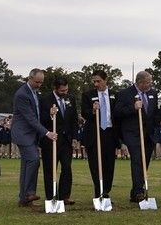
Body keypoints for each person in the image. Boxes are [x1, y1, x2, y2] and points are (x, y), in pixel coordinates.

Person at [12, 69, 57, 207]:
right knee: (33, 160)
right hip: (23, 134)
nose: (39, 85)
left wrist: (50, 114)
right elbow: (30, 118)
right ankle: (29, 192)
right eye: (37, 82)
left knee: (26, 164)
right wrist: (46, 133)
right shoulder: (22, 94)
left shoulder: (34, 93)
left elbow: (38, 113)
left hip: (31, 134)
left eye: (41, 82)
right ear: (30, 78)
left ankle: (24, 197)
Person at [115, 71, 159, 202]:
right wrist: (133, 108)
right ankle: (139, 191)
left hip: (148, 134)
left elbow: (154, 113)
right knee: (137, 161)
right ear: (140, 82)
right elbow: (117, 112)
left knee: (144, 162)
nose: (150, 84)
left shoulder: (153, 94)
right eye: (148, 82)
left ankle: (135, 191)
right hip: (132, 133)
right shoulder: (124, 93)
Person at [80, 69, 119, 201]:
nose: (96, 84)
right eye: (94, 81)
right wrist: (92, 110)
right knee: (95, 164)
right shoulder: (87, 95)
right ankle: (99, 191)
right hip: (94, 133)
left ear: (105, 80)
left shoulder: (114, 95)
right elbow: (84, 113)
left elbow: (118, 115)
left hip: (109, 133)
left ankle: (106, 191)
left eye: (99, 81)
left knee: (109, 164)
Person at [39, 76, 78, 205]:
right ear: (55, 89)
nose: (65, 93)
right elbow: (40, 120)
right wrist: (50, 115)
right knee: (50, 169)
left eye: (66, 90)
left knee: (67, 168)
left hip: (67, 140)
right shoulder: (45, 100)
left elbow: (73, 120)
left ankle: (64, 195)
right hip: (51, 140)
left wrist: (74, 137)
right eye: (62, 91)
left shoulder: (70, 99)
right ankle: (51, 196)